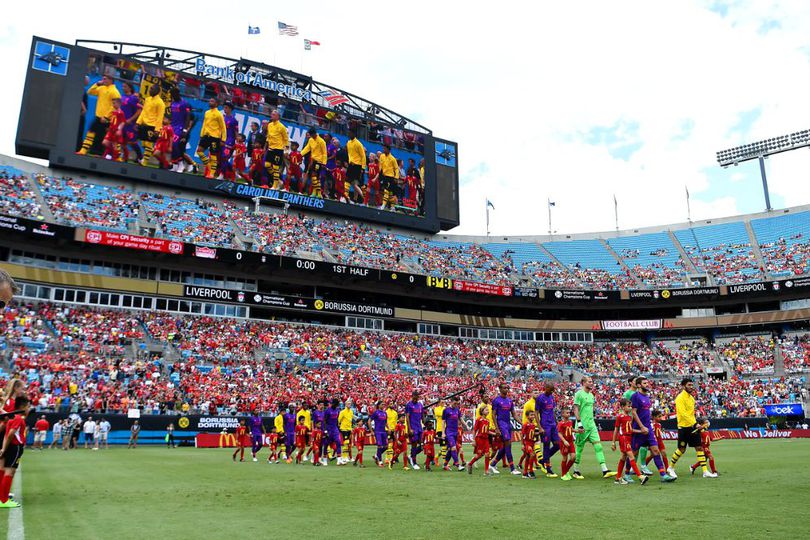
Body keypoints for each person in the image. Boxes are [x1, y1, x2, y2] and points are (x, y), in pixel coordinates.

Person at [562, 376, 616, 480]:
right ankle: (575, 471)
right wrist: (579, 422)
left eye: (592, 382)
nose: (592, 383)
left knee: (598, 446)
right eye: (589, 382)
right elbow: (576, 409)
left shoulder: (591, 395)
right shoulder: (579, 394)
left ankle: (605, 470)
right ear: (583, 383)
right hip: (582, 425)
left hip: (591, 425)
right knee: (579, 448)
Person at [667, 378, 716, 478]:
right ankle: (670, 467)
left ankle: (705, 471)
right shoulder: (680, 398)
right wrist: (695, 423)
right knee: (681, 449)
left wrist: (695, 422)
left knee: (699, 447)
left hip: (692, 426)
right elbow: (683, 414)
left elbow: (691, 413)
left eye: (692, 385)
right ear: (683, 386)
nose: (691, 387)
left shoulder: (691, 398)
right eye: (689, 385)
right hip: (683, 427)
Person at [630, 377, 675, 482]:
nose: (647, 384)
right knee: (634, 453)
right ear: (639, 385)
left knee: (655, 450)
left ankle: (663, 475)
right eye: (645, 383)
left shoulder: (647, 396)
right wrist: (641, 427)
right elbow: (633, 412)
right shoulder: (635, 396)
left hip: (648, 428)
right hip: (639, 429)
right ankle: (627, 474)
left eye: (647, 383)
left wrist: (647, 426)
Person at [77, 74, 121, 155]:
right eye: (103, 79)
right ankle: (83, 150)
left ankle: (107, 154)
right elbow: (90, 91)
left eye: (105, 79)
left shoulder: (115, 92)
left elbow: (114, 107)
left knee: (101, 136)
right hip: (98, 116)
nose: (103, 80)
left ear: (111, 80)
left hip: (106, 119)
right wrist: (97, 84)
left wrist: (106, 117)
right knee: (91, 132)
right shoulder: (102, 88)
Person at [0, 395, 31, 508]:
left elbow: (6, 435)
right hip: (15, 447)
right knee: (9, 472)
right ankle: (3, 500)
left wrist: (3, 448)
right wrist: (4, 448)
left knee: (5, 472)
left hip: (11, 447)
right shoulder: (18, 418)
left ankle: (2, 498)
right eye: (28, 406)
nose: (29, 409)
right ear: (22, 407)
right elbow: (11, 434)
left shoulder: (12, 418)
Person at [611, 398, 648, 485]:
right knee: (631, 457)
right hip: (623, 438)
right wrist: (613, 442)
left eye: (631, 406)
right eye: (628, 406)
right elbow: (616, 429)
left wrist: (641, 431)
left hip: (628, 438)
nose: (630, 408)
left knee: (623, 457)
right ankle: (640, 476)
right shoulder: (620, 417)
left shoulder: (629, 417)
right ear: (623, 407)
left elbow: (630, 430)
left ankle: (618, 478)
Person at [491, 382, 522, 475]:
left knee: (506, 446)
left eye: (507, 388)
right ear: (500, 389)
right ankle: (512, 468)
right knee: (508, 444)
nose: (506, 389)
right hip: (501, 424)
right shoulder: (496, 400)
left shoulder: (509, 401)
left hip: (508, 425)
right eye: (504, 388)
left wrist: (521, 423)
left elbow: (514, 414)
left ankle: (492, 464)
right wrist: (496, 428)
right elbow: (493, 415)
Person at [136, 83, 166, 167]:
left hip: (152, 126)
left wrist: (157, 129)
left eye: (152, 89)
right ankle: (161, 158)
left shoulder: (160, 103)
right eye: (150, 88)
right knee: (144, 144)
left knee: (148, 144)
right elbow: (143, 112)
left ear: (157, 91)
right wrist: (138, 122)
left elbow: (160, 117)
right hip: (144, 124)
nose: (150, 90)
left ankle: (144, 162)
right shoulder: (147, 99)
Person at [195, 98, 226, 178]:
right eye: (209, 101)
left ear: (216, 104)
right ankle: (209, 166)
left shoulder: (219, 114)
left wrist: (223, 139)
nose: (210, 102)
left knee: (213, 155)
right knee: (199, 151)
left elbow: (223, 127)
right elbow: (204, 124)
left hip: (214, 137)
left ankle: (211, 173)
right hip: (206, 136)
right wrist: (202, 135)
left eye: (212, 101)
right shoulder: (207, 112)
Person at [536, 382, 560, 477]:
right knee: (546, 445)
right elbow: (536, 412)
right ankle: (548, 468)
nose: (552, 392)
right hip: (545, 425)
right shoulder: (540, 398)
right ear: (546, 388)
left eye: (553, 390)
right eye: (550, 390)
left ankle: (543, 460)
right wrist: (540, 427)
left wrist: (556, 422)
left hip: (553, 424)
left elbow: (552, 410)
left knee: (557, 445)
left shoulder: (552, 397)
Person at [168, 87, 194, 173]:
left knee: (175, 144)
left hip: (180, 127)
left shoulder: (184, 104)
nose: (172, 96)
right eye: (171, 94)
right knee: (171, 146)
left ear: (178, 94)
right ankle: (175, 166)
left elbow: (188, 117)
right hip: (173, 127)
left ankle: (181, 164)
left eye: (173, 94)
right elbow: (172, 116)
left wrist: (185, 130)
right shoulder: (172, 103)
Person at [264, 109, 290, 189]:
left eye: (274, 114)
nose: (272, 115)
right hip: (271, 148)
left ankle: (275, 185)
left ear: (278, 117)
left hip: (278, 149)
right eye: (271, 114)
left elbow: (286, 139)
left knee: (276, 168)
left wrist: (286, 150)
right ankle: (278, 181)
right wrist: (265, 147)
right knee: (267, 165)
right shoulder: (269, 125)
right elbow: (268, 136)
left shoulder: (282, 127)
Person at [300, 127, 327, 197]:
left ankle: (319, 193)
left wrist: (324, 163)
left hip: (319, 161)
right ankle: (315, 193)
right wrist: (300, 154)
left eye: (312, 135)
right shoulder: (311, 140)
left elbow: (324, 153)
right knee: (315, 178)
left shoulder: (321, 141)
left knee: (314, 176)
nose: (311, 136)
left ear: (315, 133)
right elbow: (307, 148)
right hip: (313, 160)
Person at [120, 81, 143, 163]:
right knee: (122, 141)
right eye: (122, 86)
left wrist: (130, 120)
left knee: (132, 142)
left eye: (125, 86)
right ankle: (125, 157)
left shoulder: (133, 98)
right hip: (122, 123)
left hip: (130, 124)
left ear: (129, 88)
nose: (123, 88)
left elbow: (139, 111)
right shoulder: (122, 96)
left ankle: (140, 157)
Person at [468, 404, 492, 476]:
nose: (488, 411)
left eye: (488, 410)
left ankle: (486, 471)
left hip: (486, 439)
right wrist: (473, 440)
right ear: (482, 411)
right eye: (486, 410)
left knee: (487, 454)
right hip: (480, 439)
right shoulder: (479, 419)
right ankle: (470, 464)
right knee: (479, 455)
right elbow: (475, 430)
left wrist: (495, 434)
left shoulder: (488, 420)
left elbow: (487, 431)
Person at [442, 396, 464, 471]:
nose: (456, 405)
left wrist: (466, 425)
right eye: (455, 403)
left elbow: (460, 418)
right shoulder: (446, 410)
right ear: (451, 401)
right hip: (449, 432)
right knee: (454, 448)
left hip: (455, 432)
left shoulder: (457, 410)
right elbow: (443, 421)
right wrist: (443, 433)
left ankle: (445, 465)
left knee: (450, 449)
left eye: (457, 403)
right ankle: (458, 465)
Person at [101, 97, 127, 161]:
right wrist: (108, 123)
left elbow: (123, 122)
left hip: (115, 131)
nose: (113, 105)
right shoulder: (114, 112)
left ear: (119, 104)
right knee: (104, 143)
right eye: (113, 103)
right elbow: (113, 121)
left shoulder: (121, 112)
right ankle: (114, 155)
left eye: (114, 103)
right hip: (111, 130)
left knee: (115, 145)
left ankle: (116, 158)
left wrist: (119, 129)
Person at [218, 102, 239, 180]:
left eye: (226, 107)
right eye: (224, 107)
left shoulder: (234, 120)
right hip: (222, 139)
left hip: (230, 141)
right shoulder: (222, 118)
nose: (224, 109)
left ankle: (222, 174)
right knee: (221, 158)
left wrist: (237, 143)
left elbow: (236, 132)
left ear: (230, 109)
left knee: (225, 157)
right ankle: (233, 171)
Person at [404, 390, 424, 470]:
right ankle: (414, 462)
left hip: (419, 427)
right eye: (414, 398)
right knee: (414, 444)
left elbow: (422, 415)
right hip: (413, 427)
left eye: (417, 398)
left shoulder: (420, 405)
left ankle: (411, 456)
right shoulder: (409, 405)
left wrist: (424, 423)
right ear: (412, 396)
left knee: (422, 446)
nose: (415, 399)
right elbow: (407, 417)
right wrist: (409, 428)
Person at [346, 129, 366, 204]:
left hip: (357, 166)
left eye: (350, 133)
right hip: (351, 165)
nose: (349, 134)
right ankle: (355, 199)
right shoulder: (348, 143)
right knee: (354, 184)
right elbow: (350, 154)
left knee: (348, 181)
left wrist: (363, 168)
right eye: (349, 133)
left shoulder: (358, 144)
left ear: (354, 134)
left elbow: (363, 156)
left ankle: (346, 197)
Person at [324, 398, 346, 465]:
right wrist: (325, 430)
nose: (335, 405)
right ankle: (325, 459)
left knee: (338, 442)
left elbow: (336, 420)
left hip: (335, 429)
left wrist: (337, 428)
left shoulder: (337, 410)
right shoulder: (327, 411)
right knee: (326, 444)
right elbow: (324, 420)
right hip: (329, 429)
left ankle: (339, 459)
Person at [378, 144, 399, 210]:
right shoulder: (381, 156)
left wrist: (396, 177)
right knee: (390, 193)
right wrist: (380, 173)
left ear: (388, 150)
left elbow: (396, 168)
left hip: (390, 177)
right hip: (383, 176)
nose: (383, 150)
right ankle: (393, 207)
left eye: (385, 149)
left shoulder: (393, 158)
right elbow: (380, 165)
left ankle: (383, 206)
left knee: (386, 191)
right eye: (383, 148)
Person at [557, 407, 575, 478]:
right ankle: (563, 474)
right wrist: (564, 441)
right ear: (562, 414)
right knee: (565, 458)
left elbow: (571, 429)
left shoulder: (570, 422)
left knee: (573, 457)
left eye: (569, 412)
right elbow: (559, 433)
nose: (569, 414)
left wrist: (577, 431)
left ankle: (565, 471)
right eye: (567, 413)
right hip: (564, 443)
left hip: (570, 442)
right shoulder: (561, 423)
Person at [521, 410, 539, 479]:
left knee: (528, 457)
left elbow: (532, 433)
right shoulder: (525, 424)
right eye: (531, 415)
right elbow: (522, 434)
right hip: (527, 443)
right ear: (527, 416)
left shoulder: (533, 425)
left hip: (532, 443)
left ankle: (525, 473)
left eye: (533, 415)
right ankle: (531, 471)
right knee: (532, 455)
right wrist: (522, 444)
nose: (533, 416)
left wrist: (539, 433)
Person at [370, 401, 388, 467]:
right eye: (382, 404)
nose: (383, 405)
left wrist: (388, 428)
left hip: (384, 431)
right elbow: (369, 421)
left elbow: (385, 422)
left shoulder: (385, 413)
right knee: (380, 446)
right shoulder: (376, 412)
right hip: (378, 432)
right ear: (378, 405)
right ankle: (380, 461)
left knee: (386, 446)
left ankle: (376, 456)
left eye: (384, 404)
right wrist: (371, 430)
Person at [432, 399, 446, 467]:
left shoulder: (445, 408)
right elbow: (440, 414)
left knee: (446, 446)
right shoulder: (436, 409)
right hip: (440, 429)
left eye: (444, 402)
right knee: (443, 445)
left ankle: (436, 457)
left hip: (446, 429)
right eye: (442, 402)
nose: (443, 403)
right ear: (438, 403)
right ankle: (445, 463)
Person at [385, 401, 398, 466]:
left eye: (392, 403)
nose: (392, 405)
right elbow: (385, 421)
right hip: (388, 430)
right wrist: (388, 428)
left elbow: (395, 422)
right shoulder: (386, 412)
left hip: (393, 430)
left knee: (393, 444)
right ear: (388, 405)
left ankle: (392, 457)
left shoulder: (395, 413)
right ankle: (387, 458)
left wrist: (395, 429)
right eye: (390, 403)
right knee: (389, 444)